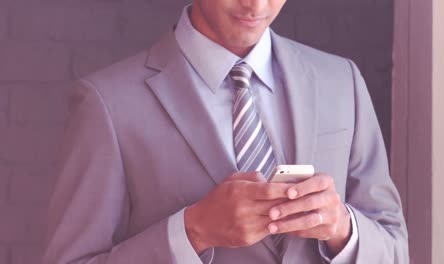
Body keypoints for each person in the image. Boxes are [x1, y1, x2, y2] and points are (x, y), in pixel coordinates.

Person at [42, 0, 409, 263]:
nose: (256, 5)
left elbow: (395, 249)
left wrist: (341, 228)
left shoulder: (341, 81)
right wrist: (192, 232)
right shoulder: (107, 103)